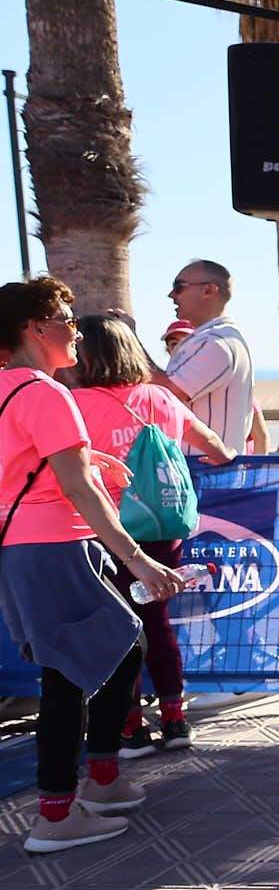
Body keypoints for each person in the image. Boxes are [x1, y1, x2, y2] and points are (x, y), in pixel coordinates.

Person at [0, 279, 181, 855]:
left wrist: (88, 455)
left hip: (27, 546)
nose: (75, 329)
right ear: (35, 330)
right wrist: (139, 559)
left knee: (115, 649)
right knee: (73, 672)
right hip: (55, 544)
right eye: (65, 318)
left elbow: (32, 460)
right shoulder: (45, 393)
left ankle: (100, 780)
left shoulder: (14, 390)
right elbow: (82, 490)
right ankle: (56, 812)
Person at [68, 316, 233, 758]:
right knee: (157, 625)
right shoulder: (160, 397)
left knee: (119, 629)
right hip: (164, 530)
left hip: (108, 529)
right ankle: (176, 720)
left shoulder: (77, 403)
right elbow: (215, 447)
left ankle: (130, 726)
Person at [158, 260, 257, 460]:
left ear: (209, 290)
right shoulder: (216, 338)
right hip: (207, 466)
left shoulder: (216, 342)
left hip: (205, 469)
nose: (172, 295)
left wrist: (128, 341)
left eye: (179, 287)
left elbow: (167, 394)